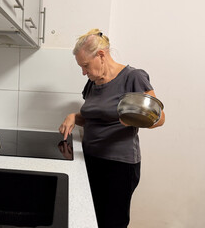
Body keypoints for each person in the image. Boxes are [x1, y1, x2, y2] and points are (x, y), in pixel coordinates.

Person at [59, 28, 165, 228]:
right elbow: (94, 117)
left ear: (101, 55)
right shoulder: (92, 82)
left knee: (112, 222)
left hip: (119, 165)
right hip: (89, 160)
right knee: (89, 218)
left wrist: (134, 119)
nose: (84, 72)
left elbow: (159, 118)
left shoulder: (133, 77)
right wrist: (74, 116)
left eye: (85, 66)